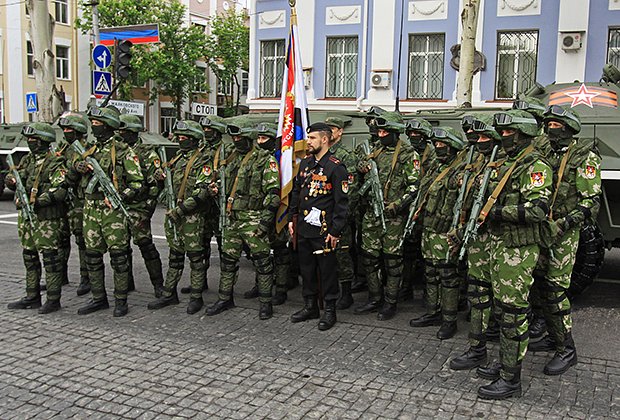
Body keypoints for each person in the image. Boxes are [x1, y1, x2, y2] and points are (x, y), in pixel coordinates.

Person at [475, 110, 552, 400]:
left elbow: (537, 210)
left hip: (518, 249)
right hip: (500, 245)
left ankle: (511, 379)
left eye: (509, 133)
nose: (504, 137)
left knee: (513, 314)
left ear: (522, 134)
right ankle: (506, 362)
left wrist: (496, 212)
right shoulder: (508, 163)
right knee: (502, 310)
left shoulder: (535, 166)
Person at [527, 105, 601, 376]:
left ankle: (566, 349)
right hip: (543, 228)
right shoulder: (545, 151)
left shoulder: (584, 156)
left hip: (563, 232)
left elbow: (589, 202)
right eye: (548, 126)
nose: (549, 130)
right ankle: (550, 333)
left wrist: (564, 224)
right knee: (540, 283)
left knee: (556, 290)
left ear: (569, 129)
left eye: (556, 126)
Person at [69, 106, 144, 317]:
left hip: (113, 211)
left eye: (98, 124)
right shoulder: (88, 150)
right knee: (92, 256)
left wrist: (121, 197)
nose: (94, 127)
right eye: (92, 123)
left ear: (109, 126)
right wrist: (78, 167)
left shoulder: (123, 151)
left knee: (119, 257)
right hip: (90, 208)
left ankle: (121, 300)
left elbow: (138, 183)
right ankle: (98, 298)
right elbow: (72, 172)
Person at [206, 120, 280, 320]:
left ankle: (265, 303)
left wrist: (264, 223)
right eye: (234, 138)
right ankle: (225, 298)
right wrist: (214, 189)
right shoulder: (229, 158)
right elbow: (223, 182)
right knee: (227, 261)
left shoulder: (264, 159)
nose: (237, 141)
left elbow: (273, 194)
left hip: (253, 219)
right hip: (231, 218)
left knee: (263, 262)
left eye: (240, 138)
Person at [449, 115, 505, 370]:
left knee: (506, 303)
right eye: (478, 137)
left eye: (484, 137)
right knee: (478, 294)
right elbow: (454, 181)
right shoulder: (477, 159)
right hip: (478, 237)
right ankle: (477, 348)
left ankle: (506, 360)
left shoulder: (506, 163)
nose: (479, 142)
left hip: (502, 239)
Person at [354, 112, 420, 321]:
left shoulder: (409, 155)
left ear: (395, 132)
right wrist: (361, 168)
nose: (380, 135)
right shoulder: (375, 150)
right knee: (370, 258)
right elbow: (360, 167)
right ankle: (374, 298)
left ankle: (390, 301)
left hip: (393, 217)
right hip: (372, 213)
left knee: (392, 262)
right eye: (379, 131)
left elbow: (414, 187)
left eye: (385, 132)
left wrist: (396, 205)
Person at [289, 122, 349, 331]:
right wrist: (291, 218)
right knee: (306, 269)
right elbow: (296, 193)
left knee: (327, 271)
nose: (309, 142)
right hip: (305, 228)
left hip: (324, 231)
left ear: (324, 139)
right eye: (309, 138)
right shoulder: (305, 164)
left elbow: (342, 204)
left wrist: (335, 231)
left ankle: (330, 310)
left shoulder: (335, 166)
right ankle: (310, 306)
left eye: (313, 138)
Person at [147, 120, 211, 314]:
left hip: (191, 217)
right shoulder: (176, 159)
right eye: (179, 138)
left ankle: (196, 296)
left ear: (194, 139)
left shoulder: (202, 160)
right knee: (175, 256)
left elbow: (202, 192)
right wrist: (158, 175)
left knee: (195, 258)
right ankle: (169, 293)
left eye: (185, 138)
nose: (181, 141)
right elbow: (162, 177)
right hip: (173, 215)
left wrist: (181, 210)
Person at [409, 126, 467, 339]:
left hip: (446, 231)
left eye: (443, 145)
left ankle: (449, 319)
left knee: (448, 275)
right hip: (429, 227)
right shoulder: (435, 166)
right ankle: (433, 312)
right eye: (437, 145)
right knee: (430, 273)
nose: (439, 148)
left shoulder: (461, 170)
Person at [5, 122, 69, 314]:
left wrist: (38, 201)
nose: (31, 143)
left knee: (50, 260)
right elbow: (17, 176)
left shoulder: (55, 162)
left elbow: (60, 190)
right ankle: (32, 296)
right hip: (27, 218)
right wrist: (12, 180)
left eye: (35, 140)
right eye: (30, 140)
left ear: (44, 141)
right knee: (29, 257)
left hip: (47, 219)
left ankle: (53, 299)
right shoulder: (27, 160)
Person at [117, 114, 165, 298]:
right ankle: (126, 283)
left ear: (134, 133)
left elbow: (156, 185)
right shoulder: (118, 151)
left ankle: (158, 286)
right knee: (121, 248)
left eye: (126, 132)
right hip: (119, 206)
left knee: (146, 246)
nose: (122, 135)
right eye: (120, 132)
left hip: (138, 208)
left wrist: (147, 209)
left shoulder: (147, 154)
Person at [401, 118, 437, 301]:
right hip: (410, 207)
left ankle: (426, 291)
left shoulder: (434, 155)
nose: (414, 137)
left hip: (427, 208)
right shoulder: (407, 153)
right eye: (412, 134)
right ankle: (405, 287)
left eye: (418, 134)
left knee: (426, 255)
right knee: (408, 251)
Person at [325, 116, 359, 310]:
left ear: (340, 132)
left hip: (339, 215)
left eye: (333, 128)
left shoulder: (345, 155)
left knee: (342, 254)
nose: (330, 132)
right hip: (322, 215)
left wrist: (342, 215)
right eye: (327, 129)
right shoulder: (321, 154)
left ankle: (346, 294)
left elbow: (350, 189)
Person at [58, 113, 91, 296]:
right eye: (64, 130)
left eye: (69, 129)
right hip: (63, 199)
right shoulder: (63, 148)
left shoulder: (85, 150)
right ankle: (59, 275)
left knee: (82, 240)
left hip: (79, 200)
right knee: (61, 238)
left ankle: (85, 278)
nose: (65, 133)